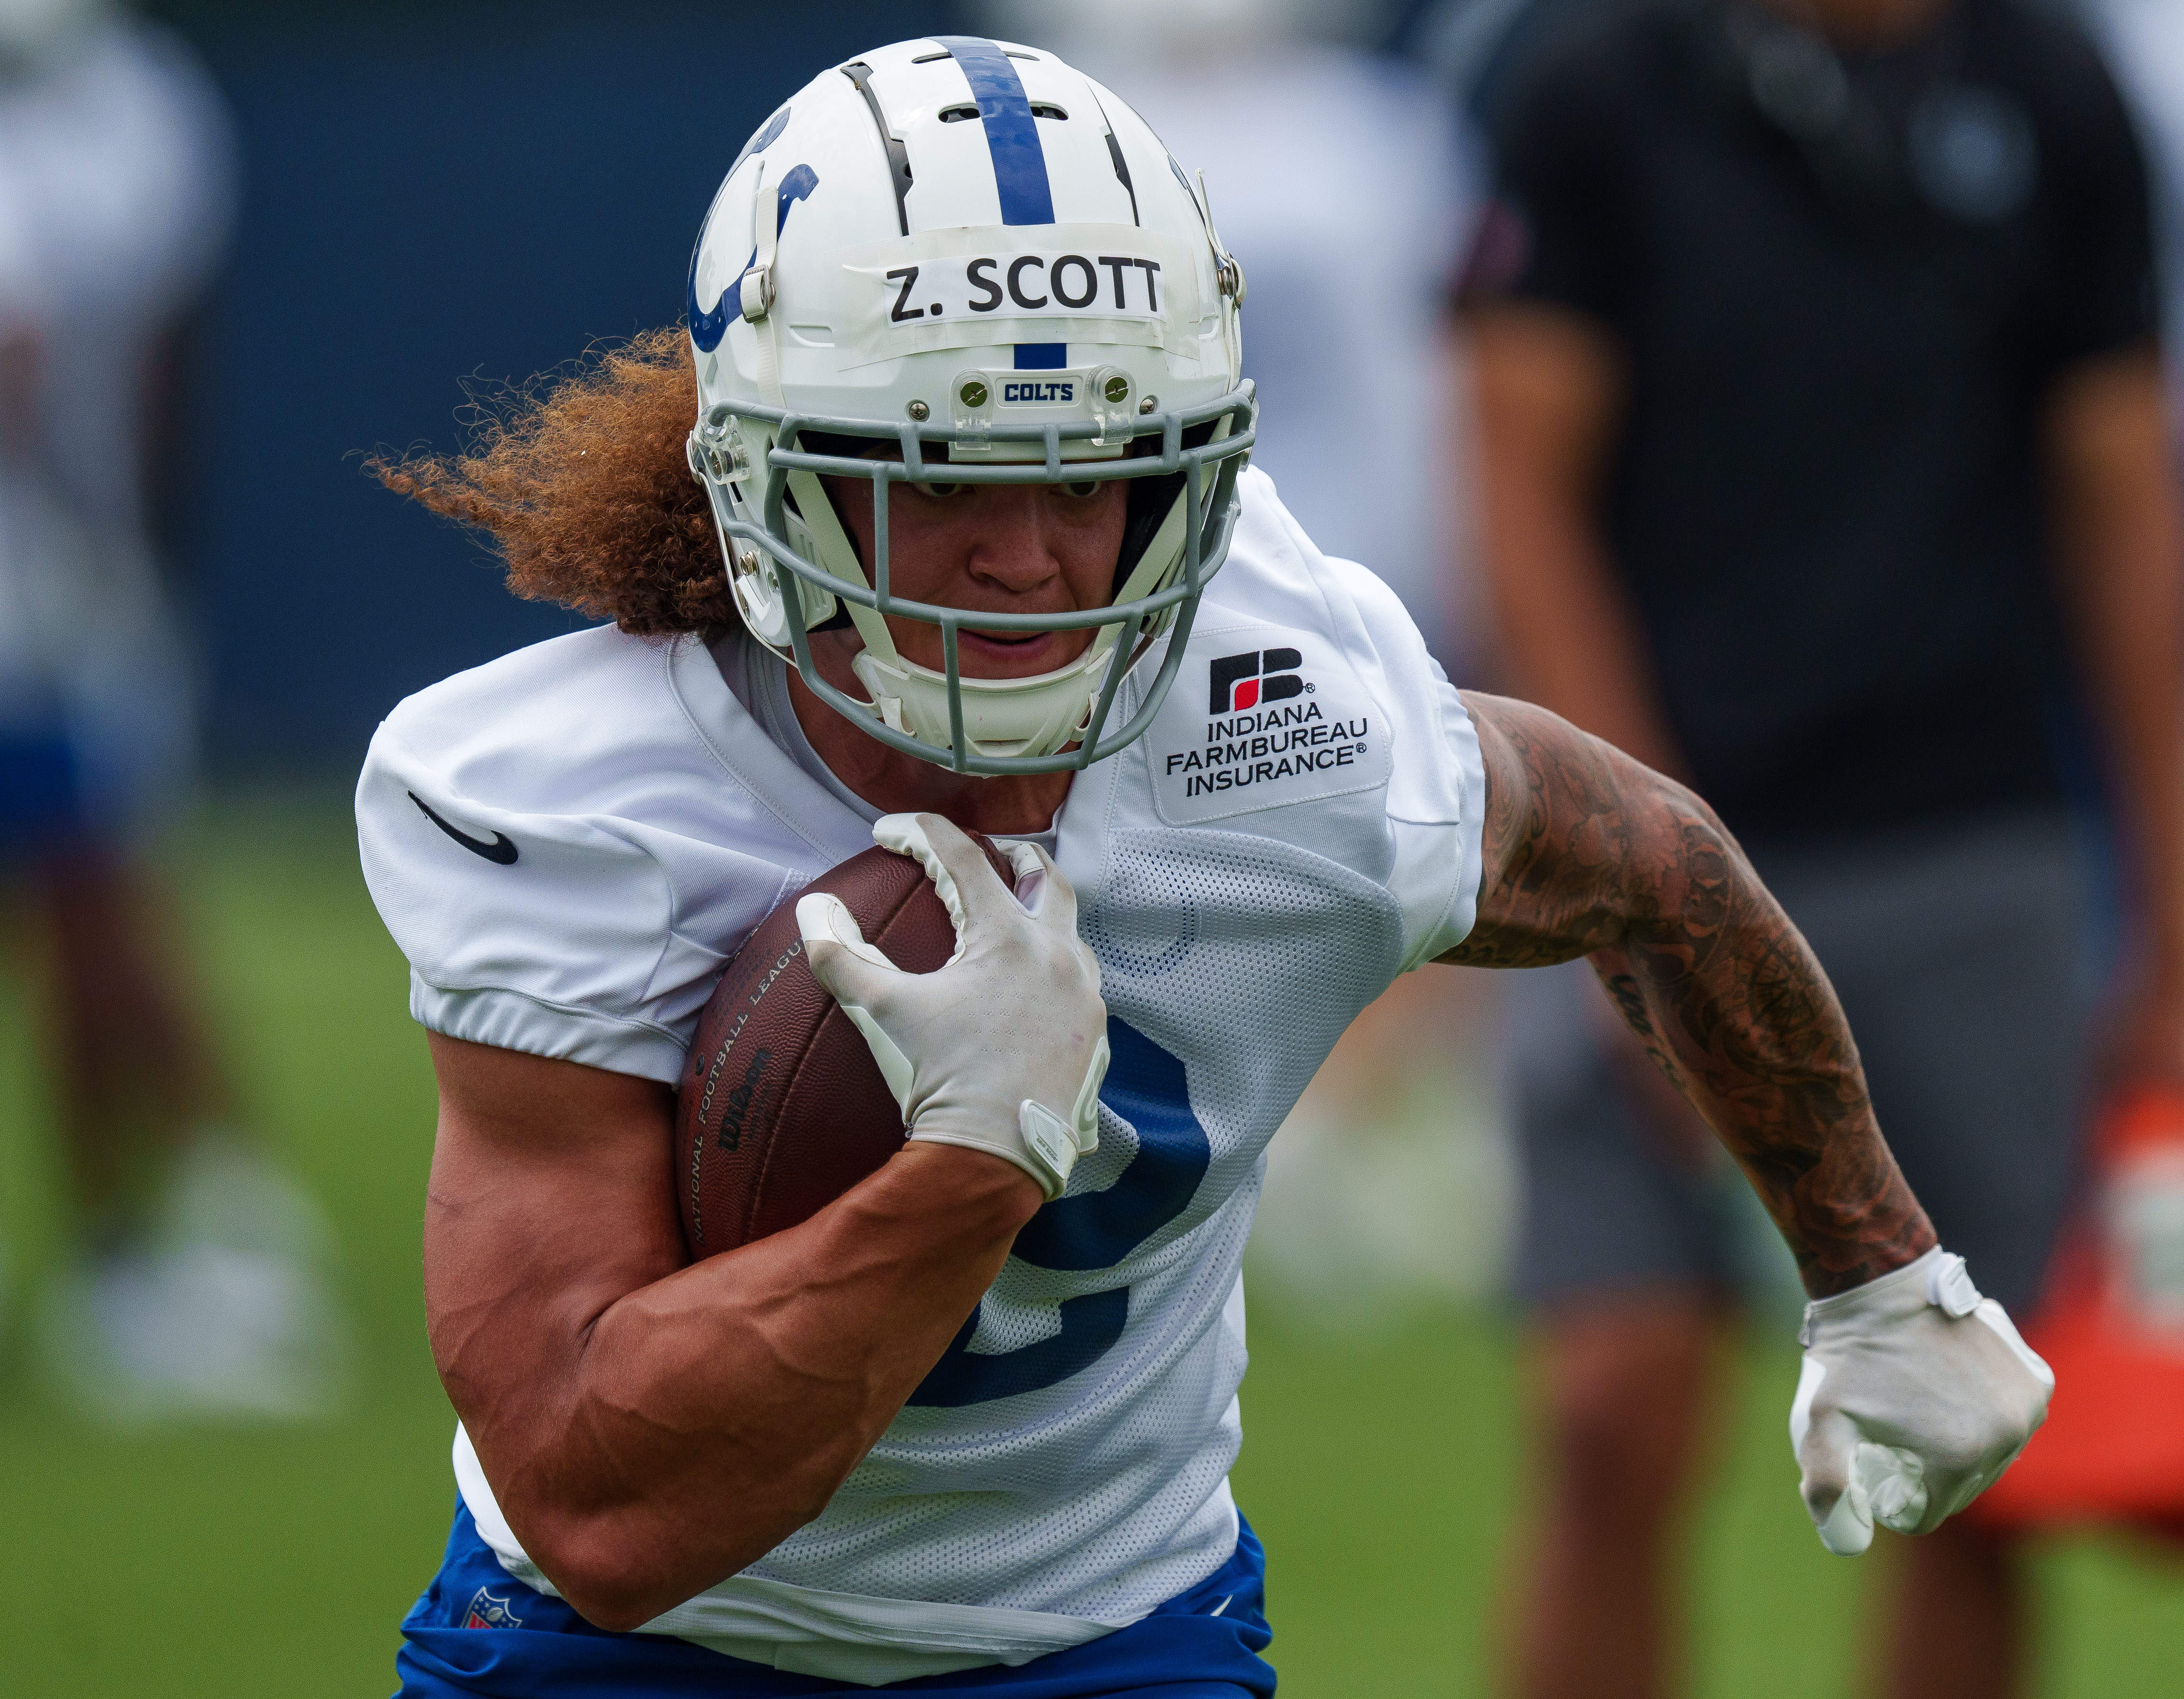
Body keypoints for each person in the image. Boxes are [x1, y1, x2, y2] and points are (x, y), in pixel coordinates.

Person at [356, 35, 2051, 1698]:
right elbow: (597, 1509)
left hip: (1110, 1635)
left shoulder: (1290, 713)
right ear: (769, 480)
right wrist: (969, 1163)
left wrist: (1881, 1271)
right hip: (633, 1655)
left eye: (1093, 468)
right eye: (941, 473)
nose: (1025, 556)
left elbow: (1658, 869)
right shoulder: (574, 800)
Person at [1457, 0, 2184, 1693]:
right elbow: (1517, 474)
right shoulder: (1590, 78)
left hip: (1966, 849)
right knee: (1610, 1404)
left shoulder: (2051, 86)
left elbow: (2121, 496)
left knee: (1972, 1449)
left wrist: (2171, 896)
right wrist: (1625, 885)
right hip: (1655, 829)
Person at [0, 0, 350, 1421]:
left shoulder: (131, 111)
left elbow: (67, 374)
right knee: (94, 894)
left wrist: (105, 557)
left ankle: (164, 1238)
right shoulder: (142, 113)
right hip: (62, 575)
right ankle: (179, 1227)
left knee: (92, 892)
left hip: (51, 582)